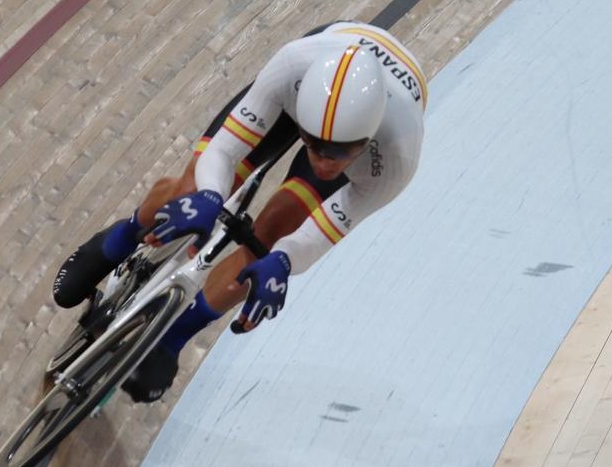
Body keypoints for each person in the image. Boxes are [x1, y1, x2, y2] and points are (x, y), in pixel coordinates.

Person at [52, 20, 427, 402]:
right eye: (312, 145)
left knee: (271, 239)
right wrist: (209, 197)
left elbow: (318, 236)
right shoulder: (293, 66)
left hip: (372, 119)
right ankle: (117, 241)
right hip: (299, 94)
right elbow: (224, 151)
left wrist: (282, 261)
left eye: (339, 154)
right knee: (192, 188)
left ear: (366, 140)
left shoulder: (396, 159)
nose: (322, 161)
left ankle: (174, 337)